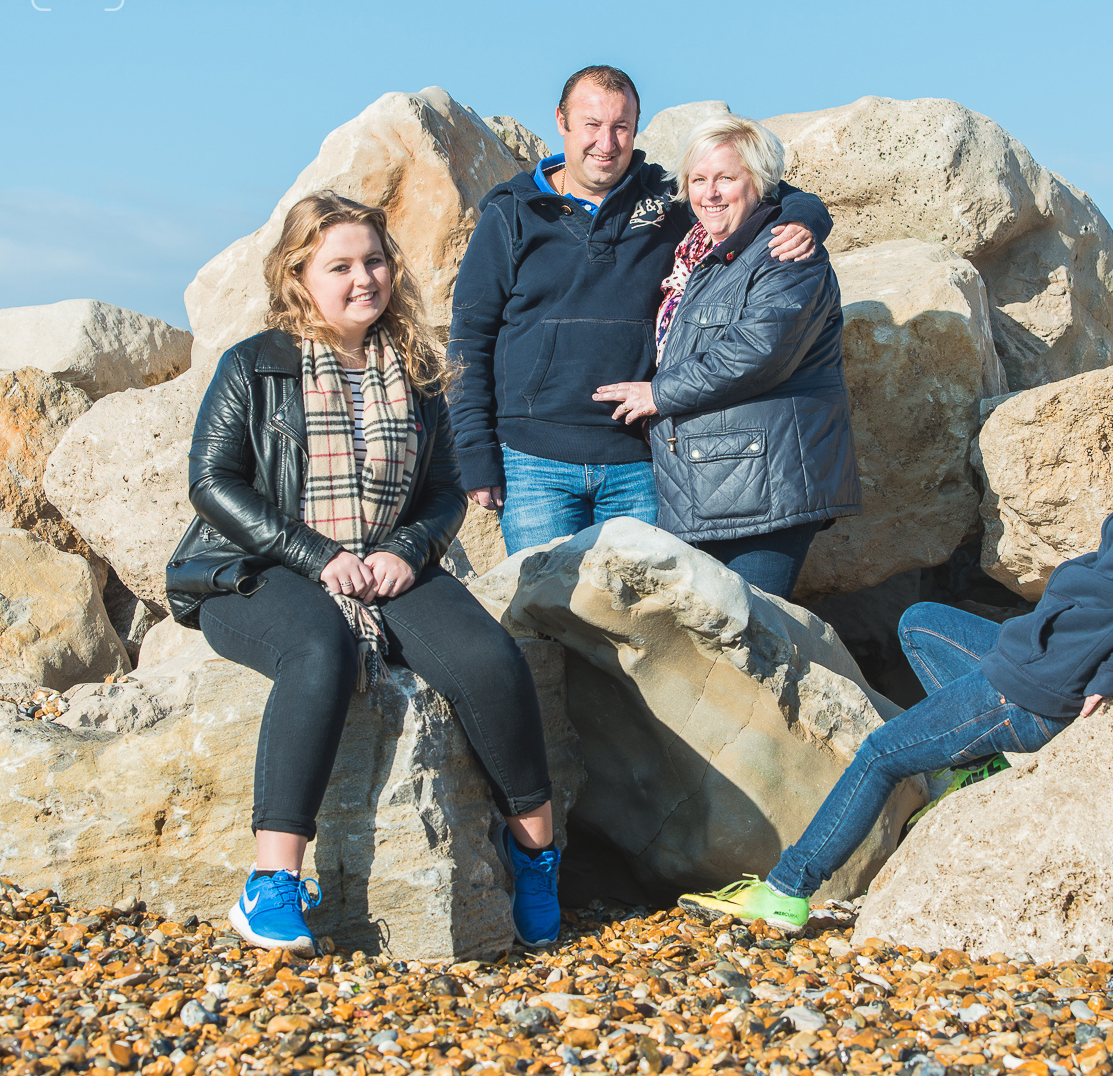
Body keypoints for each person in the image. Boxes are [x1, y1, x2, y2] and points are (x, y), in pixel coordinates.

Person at [677, 369, 1113, 932]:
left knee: (883, 753)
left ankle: (786, 891)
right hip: (1038, 654)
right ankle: (981, 759)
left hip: (1035, 691)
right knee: (921, 622)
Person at [165, 191, 562, 954]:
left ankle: (536, 856)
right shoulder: (255, 364)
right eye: (339, 265)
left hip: (385, 557)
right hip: (256, 565)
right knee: (320, 651)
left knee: (488, 659)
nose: (363, 279)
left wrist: (405, 552)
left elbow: (446, 491)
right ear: (298, 274)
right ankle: (272, 883)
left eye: (374, 261)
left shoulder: (416, 370)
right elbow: (213, 483)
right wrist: (321, 559)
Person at [446, 65, 834, 555]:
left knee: (641, 622)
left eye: (621, 126)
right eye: (591, 125)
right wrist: (475, 453)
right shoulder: (510, 214)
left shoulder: (666, 197)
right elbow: (469, 339)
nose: (606, 143)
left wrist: (806, 219)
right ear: (561, 121)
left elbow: (760, 192)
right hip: (533, 464)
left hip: (643, 462)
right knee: (544, 625)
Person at [593, 114, 860, 600]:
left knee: (749, 643)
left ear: (757, 183)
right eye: (698, 179)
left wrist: (658, 393)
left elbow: (759, 351)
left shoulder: (784, 249)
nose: (709, 193)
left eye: (726, 178)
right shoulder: (696, 254)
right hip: (713, 481)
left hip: (764, 482)